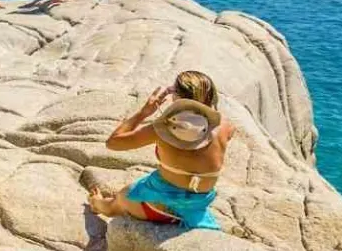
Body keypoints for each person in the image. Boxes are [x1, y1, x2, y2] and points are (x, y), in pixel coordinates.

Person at [86, 71, 234, 230]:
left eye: (173, 91)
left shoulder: (163, 129)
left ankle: (98, 204)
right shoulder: (226, 127)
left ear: (177, 98)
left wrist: (145, 112)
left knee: (119, 200)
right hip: (196, 206)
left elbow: (113, 143)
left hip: (158, 208)